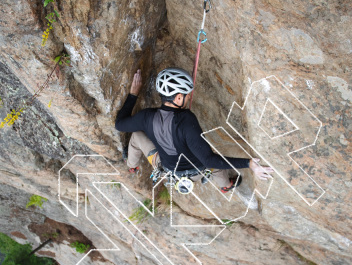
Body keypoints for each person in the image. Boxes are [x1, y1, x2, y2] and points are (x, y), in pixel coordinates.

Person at [115, 68, 274, 193]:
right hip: (197, 171)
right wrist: (249, 163)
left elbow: (120, 124)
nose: (189, 97)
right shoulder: (186, 120)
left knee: (136, 136)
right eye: (187, 95)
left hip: (165, 168)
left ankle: (132, 165)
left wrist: (133, 95)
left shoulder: (146, 117)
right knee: (215, 164)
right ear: (178, 98)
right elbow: (208, 160)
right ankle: (225, 186)